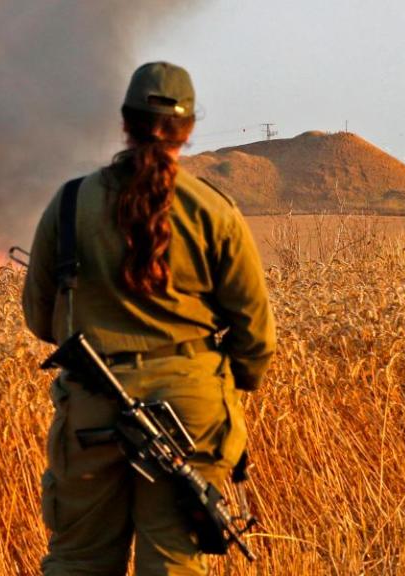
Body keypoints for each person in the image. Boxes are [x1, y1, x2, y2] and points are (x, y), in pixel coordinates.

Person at [22, 62, 276, 575]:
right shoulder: (214, 211)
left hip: (93, 410)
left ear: (125, 122)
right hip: (191, 413)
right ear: (189, 129)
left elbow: (41, 318)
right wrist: (222, 378)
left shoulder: (71, 204)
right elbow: (255, 335)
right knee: (173, 562)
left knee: (79, 561)